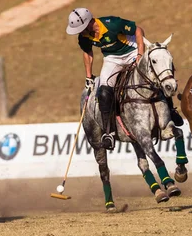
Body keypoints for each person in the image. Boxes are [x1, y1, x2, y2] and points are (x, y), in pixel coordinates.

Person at [66, 8, 183, 150]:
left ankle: (170, 110)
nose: (80, 32)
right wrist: (89, 77)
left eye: (81, 28)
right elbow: (87, 53)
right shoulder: (84, 36)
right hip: (112, 59)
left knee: (154, 77)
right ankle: (109, 133)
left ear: (89, 22)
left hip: (132, 51)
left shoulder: (112, 24)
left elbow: (138, 31)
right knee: (104, 91)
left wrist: (140, 54)